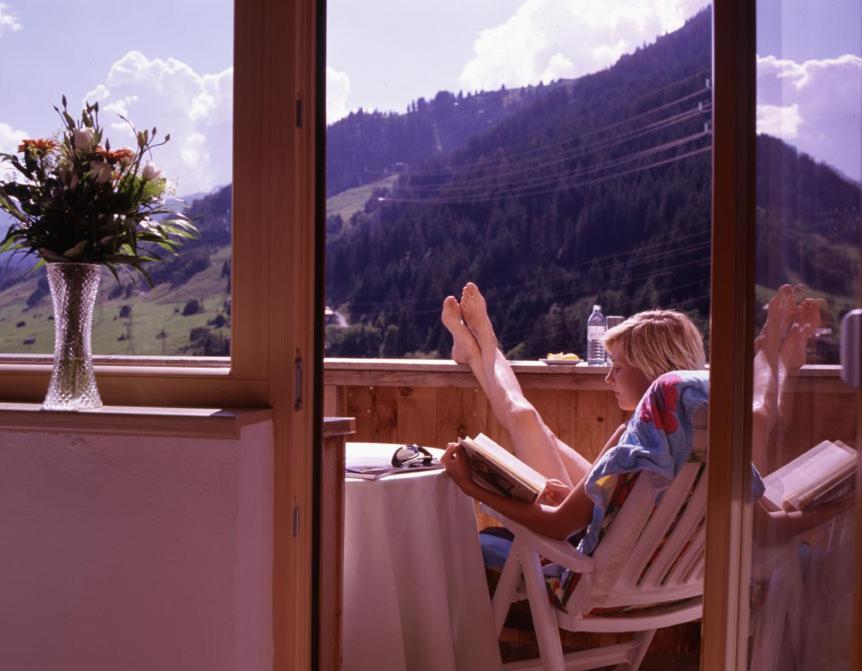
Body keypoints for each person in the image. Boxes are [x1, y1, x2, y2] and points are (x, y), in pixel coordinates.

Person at [439, 282, 708, 546]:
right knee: (539, 431)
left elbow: (557, 526)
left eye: (618, 367)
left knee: (525, 418)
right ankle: (480, 351)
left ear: (652, 370)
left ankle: (483, 348)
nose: (608, 378)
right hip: (648, 562)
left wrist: (471, 486)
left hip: (585, 561)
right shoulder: (701, 438)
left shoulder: (634, 440)